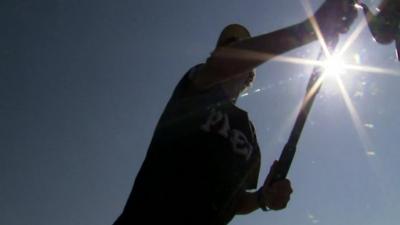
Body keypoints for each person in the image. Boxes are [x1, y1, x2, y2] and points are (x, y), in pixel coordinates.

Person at [113, 1, 357, 225]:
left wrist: (263, 197)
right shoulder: (194, 88)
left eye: (240, 45)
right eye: (229, 45)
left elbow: (236, 201)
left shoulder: (248, 132)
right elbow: (222, 63)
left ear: (251, 73)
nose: (233, 49)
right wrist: (307, 30)